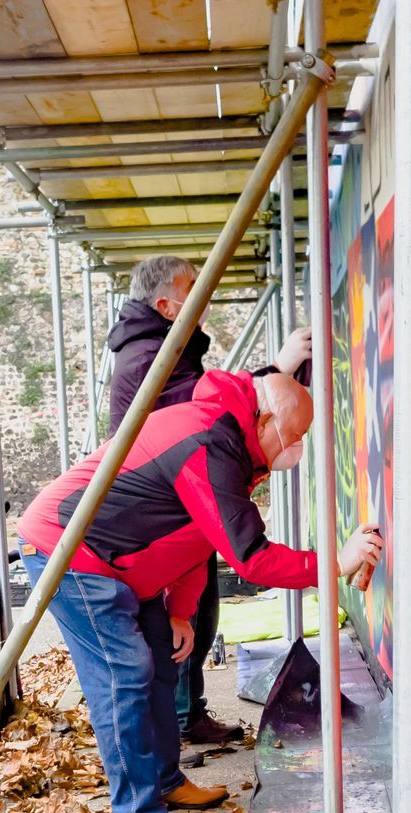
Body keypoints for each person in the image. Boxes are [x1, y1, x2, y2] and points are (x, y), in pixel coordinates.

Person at [17, 370, 381, 813]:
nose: (295, 452)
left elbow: (197, 533)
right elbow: (249, 556)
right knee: (125, 674)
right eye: (293, 437)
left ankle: (164, 781)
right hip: (73, 554)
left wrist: (181, 613)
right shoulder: (209, 441)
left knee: (163, 665)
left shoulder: (228, 440)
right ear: (267, 418)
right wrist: (335, 563)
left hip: (121, 562)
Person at [106, 255, 313, 747]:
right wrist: (275, 373)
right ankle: (178, 726)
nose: (204, 298)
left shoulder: (163, 348)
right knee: (174, 631)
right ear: (164, 304)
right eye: (193, 289)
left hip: (175, 500)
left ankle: (185, 719)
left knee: (192, 615)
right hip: (164, 505)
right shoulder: (149, 358)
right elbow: (205, 420)